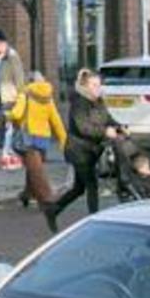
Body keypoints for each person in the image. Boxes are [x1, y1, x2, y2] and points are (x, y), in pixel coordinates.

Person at [51, 68, 119, 226]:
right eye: (94, 85)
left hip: (91, 151)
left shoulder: (99, 101)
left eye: (99, 85)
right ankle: (95, 220)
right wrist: (105, 132)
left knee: (79, 188)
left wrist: (119, 127)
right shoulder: (79, 103)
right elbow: (84, 128)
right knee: (92, 184)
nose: (98, 88)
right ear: (85, 86)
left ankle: (53, 209)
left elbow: (108, 118)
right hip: (78, 151)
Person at [8, 71, 67, 233]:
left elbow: (16, 113)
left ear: (29, 81)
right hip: (43, 139)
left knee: (36, 170)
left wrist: (8, 114)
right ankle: (26, 194)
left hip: (28, 138)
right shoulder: (48, 97)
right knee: (34, 168)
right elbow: (56, 120)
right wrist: (63, 141)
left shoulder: (25, 95)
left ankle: (46, 200)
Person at [0, 30, 26, 171]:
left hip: (10, 96)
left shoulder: (12, 57)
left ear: (4, 43)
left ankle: (6, 153)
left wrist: (21, 95)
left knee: (10, 126)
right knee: (1, 123)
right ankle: (9, 152)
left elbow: (19, 77)